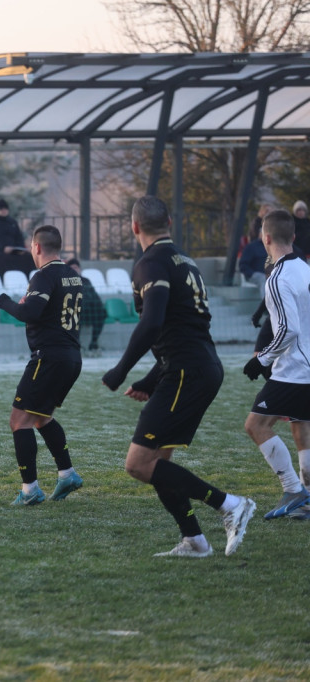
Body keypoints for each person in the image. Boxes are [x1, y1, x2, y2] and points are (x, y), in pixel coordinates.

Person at [101, 195, 256, 558]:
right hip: (198, 365)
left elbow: (152, 322)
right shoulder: (186, 261)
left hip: (187, 371)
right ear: (169, 221)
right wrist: (150, 380)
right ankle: (194, 541)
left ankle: (230, 504)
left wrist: (120, 370)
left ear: (134, 226)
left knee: (139, 465)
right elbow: (183, 329)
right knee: (159, 464)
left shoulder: (150, 263)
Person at [0, 226, 85, 505]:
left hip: (48, 358)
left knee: (18, 422)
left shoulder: (44, 275)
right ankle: (67, 473)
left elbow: (28, 312)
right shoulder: (73, 275)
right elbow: (46, 311)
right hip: (71, 357)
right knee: (40, 417)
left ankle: (30, 490)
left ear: (36, 247)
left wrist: (5, 302)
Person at [241, 209, 310, 520]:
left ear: (265, 238)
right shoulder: (305, 268)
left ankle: (294, 490)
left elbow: (289, 329)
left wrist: (262, 360)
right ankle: (306, 503)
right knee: (301, 428)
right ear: (293, 237)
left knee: (256, 425)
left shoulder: (278, 277)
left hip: (295, 369)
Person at [0, 199, 33, 277]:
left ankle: (27, 279)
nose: (4, 211)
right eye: (1, 209)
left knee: (28, 257)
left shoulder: (12, 222)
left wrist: (20, 249)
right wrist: (3, 248)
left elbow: (19, 237)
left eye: (5, 209)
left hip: (13, 250)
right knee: (3, 259)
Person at [65, 258, 105, 351]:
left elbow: (94, 296)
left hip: (89, 311)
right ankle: (76, 343)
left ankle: (94, 342)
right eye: (72, 268)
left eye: (76, 268)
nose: (75, 270)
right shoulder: (66, 281)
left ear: (80, 269)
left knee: (101, 313)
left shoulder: (86, 280)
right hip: (73, 311)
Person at [239, 212, 269, 293]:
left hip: (271, 275)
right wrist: (252, 274)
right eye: (263, 233)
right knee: (264, 279)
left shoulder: (273, 247)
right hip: (256, 275)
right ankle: (266, 305)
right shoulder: (251, 247)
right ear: (259, 234)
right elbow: (243, 265)